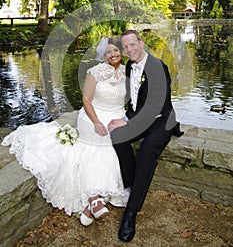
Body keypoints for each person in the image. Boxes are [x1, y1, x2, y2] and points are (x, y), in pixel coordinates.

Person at [1, 37, 129, 226]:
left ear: (121, 52)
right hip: (92, 116)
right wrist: (96, 122)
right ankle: (94, 197)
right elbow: (86, 100)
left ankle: (91, 204)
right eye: (108, 52)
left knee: (110, 147)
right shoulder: (95, 72)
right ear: (104, 54)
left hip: (116, 116)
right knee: (98, 144)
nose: (112, 55)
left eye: (115, 51)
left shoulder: (128, 73)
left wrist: (126, 119)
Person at [108, 29, 183, 242]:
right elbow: (135, 100)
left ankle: (131, 213)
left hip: (161, 119)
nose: (129, 50)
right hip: (139, 116)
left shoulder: (157, 67)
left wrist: (127, 120)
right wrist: (125, 116)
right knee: (117, 137)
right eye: (126, 47)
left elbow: (155, 104)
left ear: (141, 43)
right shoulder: (131, 66)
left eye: (133, 45)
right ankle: (135, 183)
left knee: (148, 149)